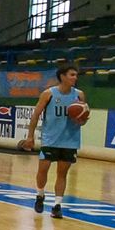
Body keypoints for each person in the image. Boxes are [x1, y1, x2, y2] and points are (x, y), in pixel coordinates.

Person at [19, 65, 86, 219]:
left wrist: (81, 120)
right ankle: (40, 194)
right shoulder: (48, 94)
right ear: (62, 76)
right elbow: (36, 115)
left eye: (76, 75)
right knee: (43, 169)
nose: (75, 77)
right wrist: (30, 136)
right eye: (72, 75)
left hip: (70, 140)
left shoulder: (79, 95)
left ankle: (57, 206)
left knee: (62, 173)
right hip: (50, 139)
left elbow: (83, 119)